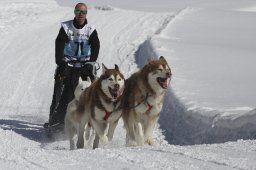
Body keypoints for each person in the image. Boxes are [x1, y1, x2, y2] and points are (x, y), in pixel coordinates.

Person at [44, 3, 100, 135]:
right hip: (67, 63)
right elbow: (59, 45)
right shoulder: (65, 27)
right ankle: (54, 122)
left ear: (86, 13)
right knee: (59, 91)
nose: (81, 14)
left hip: (85, 65)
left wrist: (91, 62)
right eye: (78, 11)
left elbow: (96, 46)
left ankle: (90, 122)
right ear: (74, 12)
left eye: (83, 12)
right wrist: (61, 63)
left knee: (89, 93)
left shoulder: (91, 29)